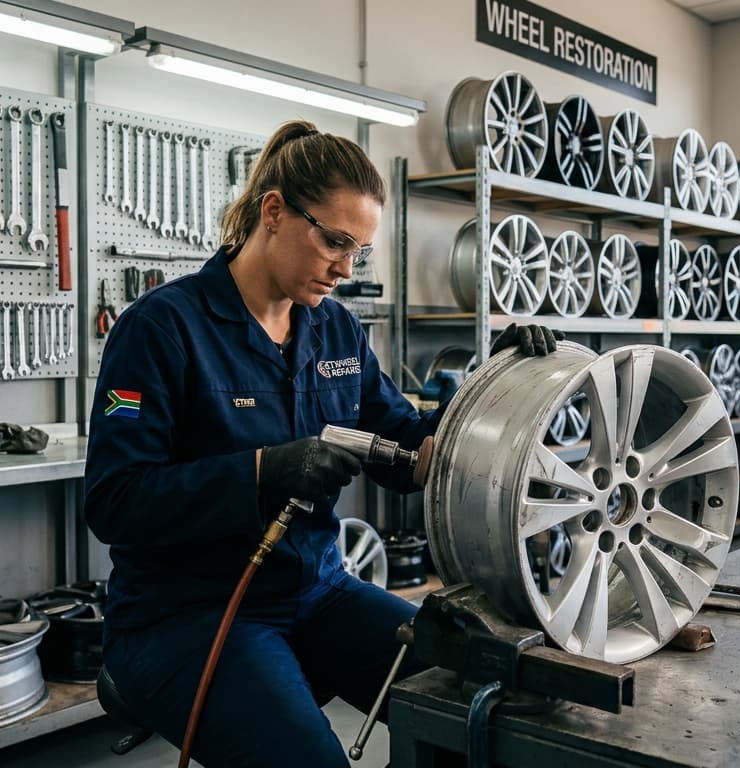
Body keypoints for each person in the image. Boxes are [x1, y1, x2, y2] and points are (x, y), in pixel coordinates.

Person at [84, 119, 560, 767]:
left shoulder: (335, 330)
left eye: (358, 252)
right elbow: (115, 502)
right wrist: (260, 471)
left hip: (319, 592)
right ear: (274, 212)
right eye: (335, 242)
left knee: (482, 709)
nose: (344, 269)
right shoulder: (163, 329)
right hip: (189, 615)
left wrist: (495, 388)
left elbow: (414, 452)